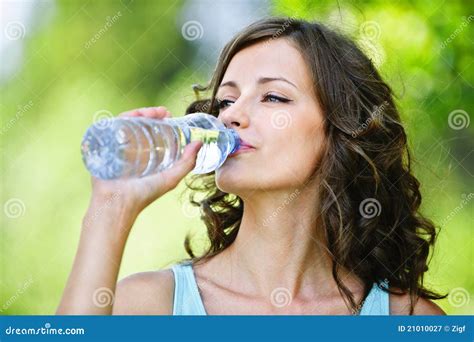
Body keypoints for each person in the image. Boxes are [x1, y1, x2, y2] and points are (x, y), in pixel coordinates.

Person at [57, 17, 446, 315]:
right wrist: (111, 209)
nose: (232, 116)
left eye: (273, 97)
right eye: (226, 101)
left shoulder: (408, 319)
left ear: (343, 132)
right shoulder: (147, 304)